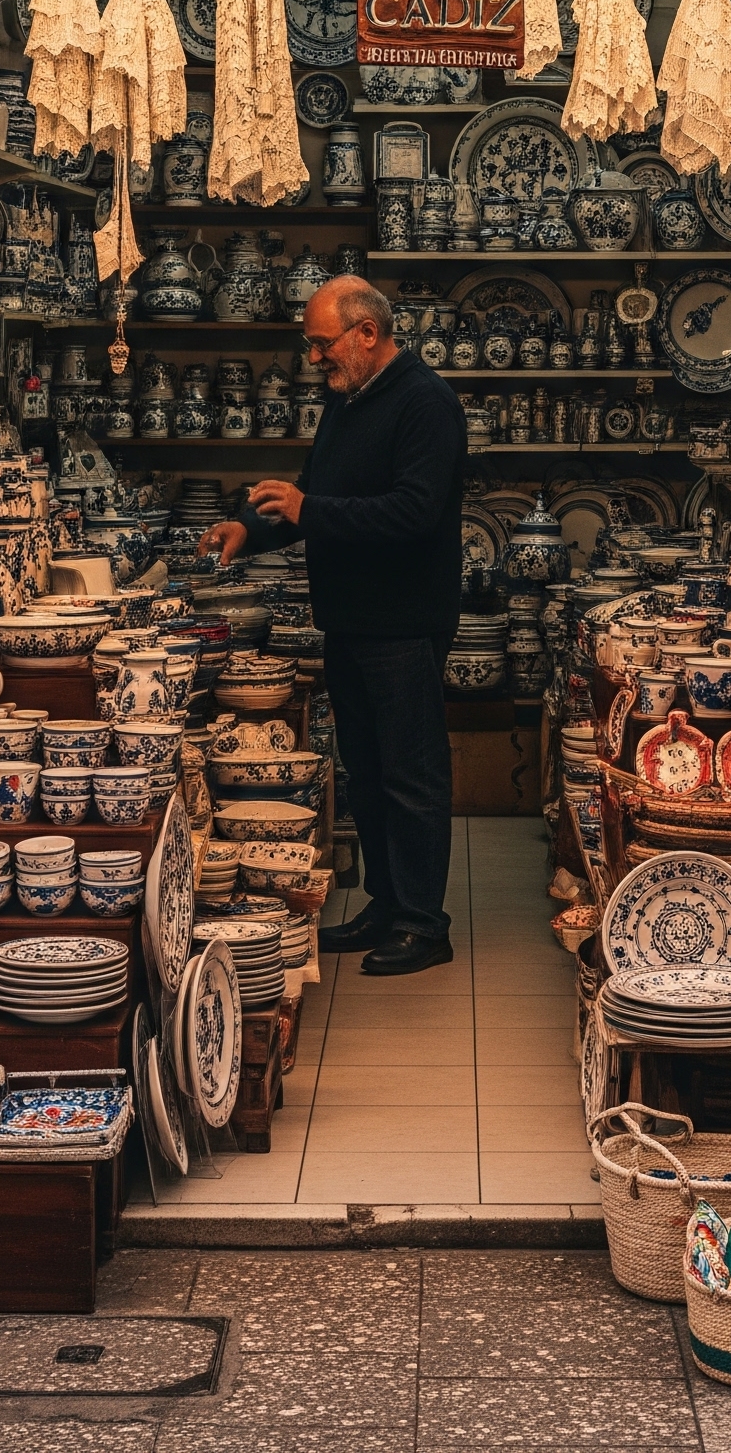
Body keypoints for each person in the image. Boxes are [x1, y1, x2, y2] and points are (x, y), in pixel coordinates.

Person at [200, 276, 466, 976]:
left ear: (367, 334)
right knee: (370, 774)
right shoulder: (348, 402)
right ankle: (386, 904)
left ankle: (422, 923)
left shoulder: (426, 404)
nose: (315, 357)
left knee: (410, 776)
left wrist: (308, 507)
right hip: (350, 620)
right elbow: (309, 500)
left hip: (404, 623)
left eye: (322, 343)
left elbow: (412, 513)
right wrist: (248, 532)